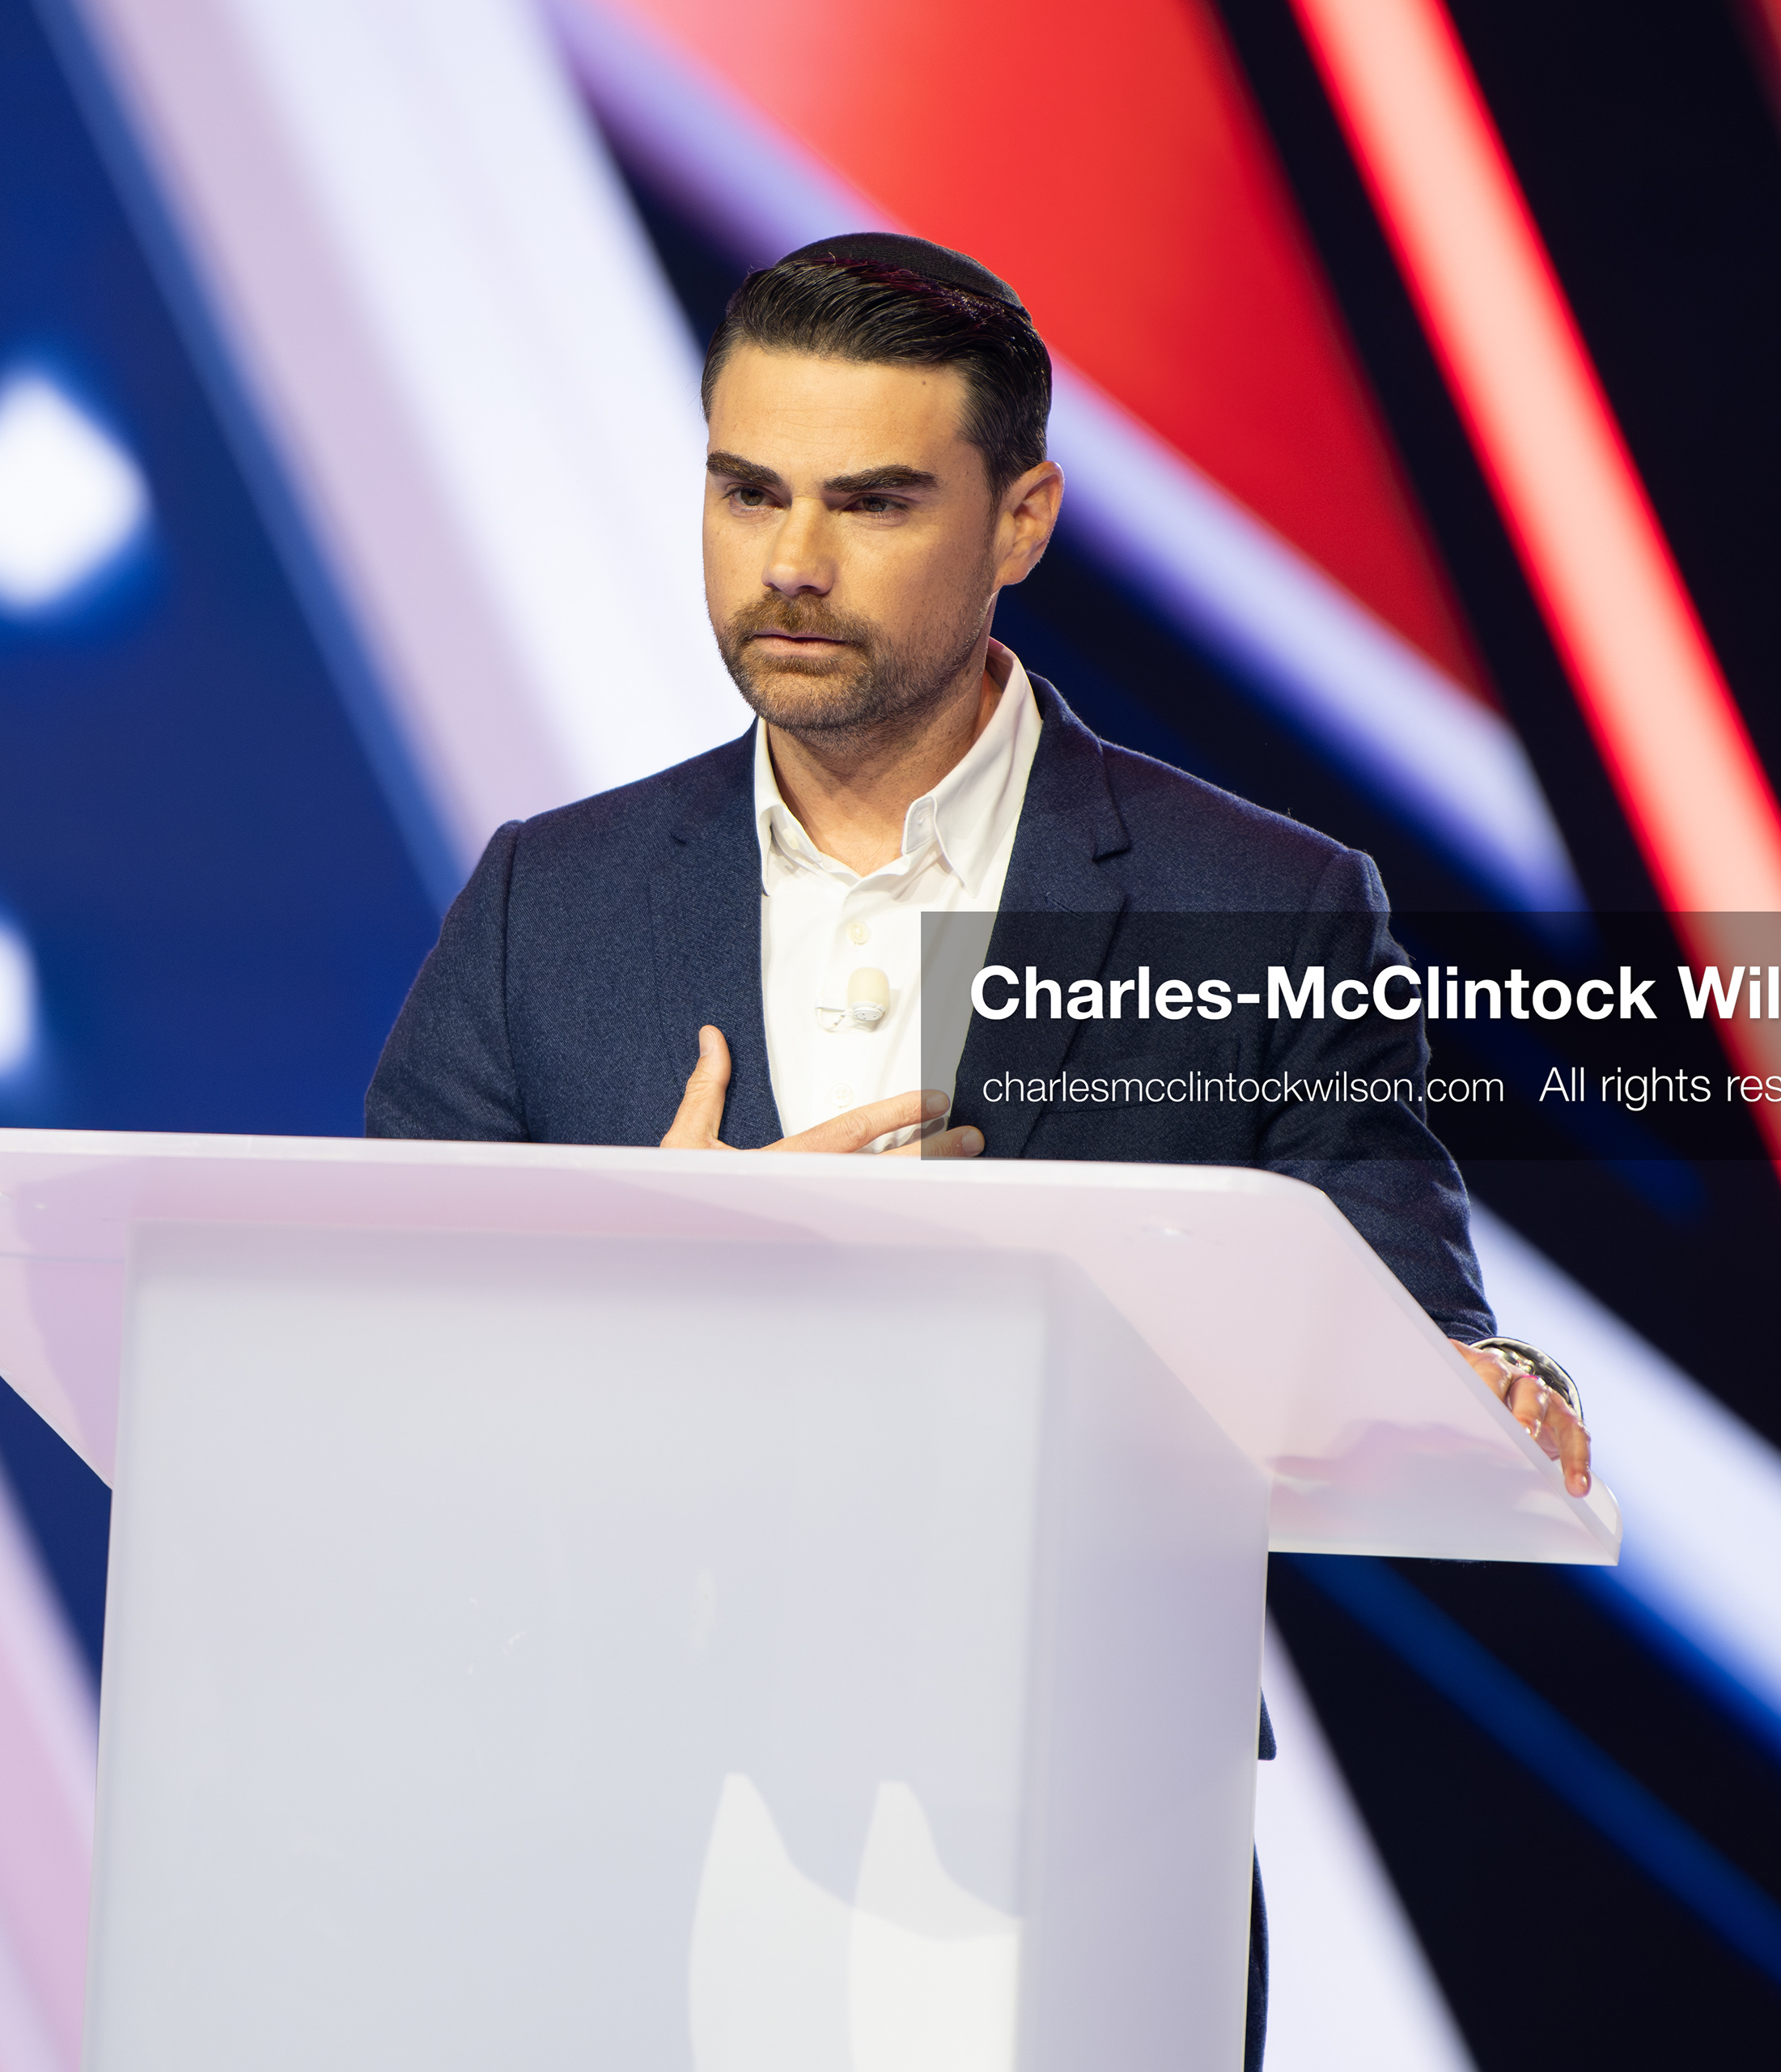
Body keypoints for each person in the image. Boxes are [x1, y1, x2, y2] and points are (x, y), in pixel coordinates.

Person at [364, 231, 1592, 2068]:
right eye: (747, 490)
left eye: (872, 501)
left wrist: (1495, 1386)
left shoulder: (1255, 901)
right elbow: (377, 1376)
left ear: (1023, 520)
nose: (790, 560)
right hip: (627, 1837)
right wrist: (660, 1286)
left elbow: (1403, 1319)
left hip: (1084, 1842)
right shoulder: (557, 898)